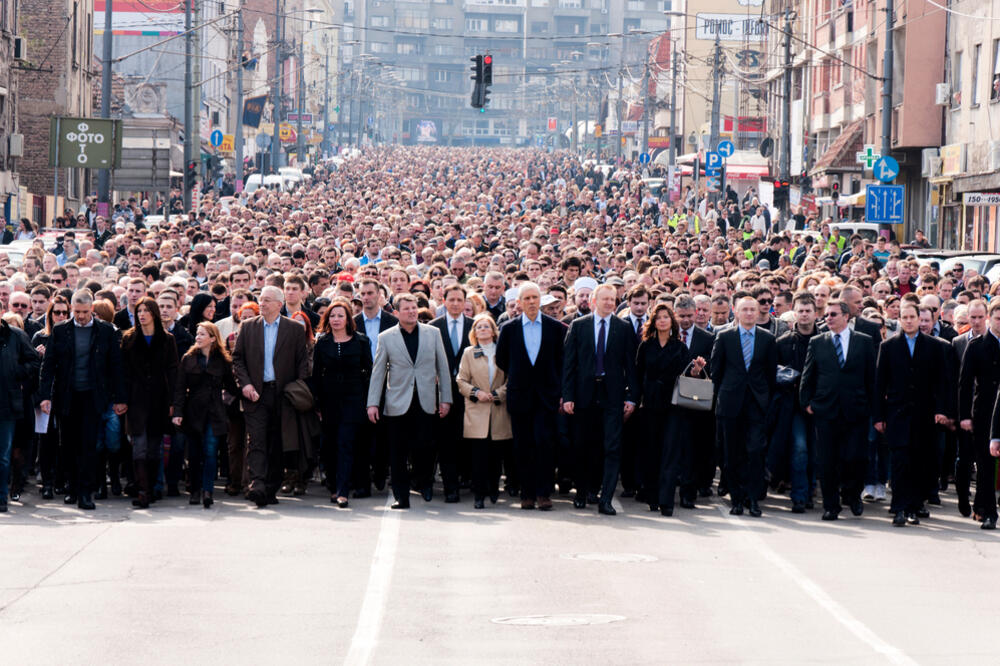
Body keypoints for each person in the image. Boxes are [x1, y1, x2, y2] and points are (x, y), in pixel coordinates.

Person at [38, 290, 127, 510]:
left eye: (85, 312)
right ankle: (72, 488)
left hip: (93, 396)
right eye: (76, 312)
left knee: (88, 445)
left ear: (92, 311)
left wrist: (119, 397)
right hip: (67, 395)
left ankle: (86, 493)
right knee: (67, 445)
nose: (81, 316)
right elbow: (48, 365)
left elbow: (116, 367)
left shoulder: (105, 331)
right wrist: (44, 396)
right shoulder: (61, 330)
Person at [366, 293, 452, 510]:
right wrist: (373, 403)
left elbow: (442, 367)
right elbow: (378, 373)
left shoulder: (433, 333)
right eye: (407, 308)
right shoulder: (386, 337)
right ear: (396, 312)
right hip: (397, 403)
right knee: (397, 453)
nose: (412, 311)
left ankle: (424, 482)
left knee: (425, 448)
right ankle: (401, 496)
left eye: (414, 307)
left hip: (426, 401)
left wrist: (445, 399)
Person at [562, 283, 638, 516]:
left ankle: (606, 498)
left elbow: (631, 367)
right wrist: (568, 396)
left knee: (612, 448)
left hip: (612, 396)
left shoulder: (623, 328)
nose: (608, 303)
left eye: (612, 299)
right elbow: (569, 364)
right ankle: (583, 492)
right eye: (604, 299)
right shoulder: (578, 326)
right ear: (594, 301)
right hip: (584, 395)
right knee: (583, 446)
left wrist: (632, 397)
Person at [233, 285, 311, 508]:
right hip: (255, 394)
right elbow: (237, 359)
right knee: (256, 439)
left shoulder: (294, 329)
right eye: (261, 299)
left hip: (282, 394)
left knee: (277, 441)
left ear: (279, 304)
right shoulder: (248, 327)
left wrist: (295, 390)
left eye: (267, 300)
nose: (262, 304)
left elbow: (302, 364)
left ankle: (271, 487)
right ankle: (257, 484)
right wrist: (245, 384)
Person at [800, 300, 876, 521]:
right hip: (826, 410)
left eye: (833, 314)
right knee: (827, 460)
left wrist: (873, 408)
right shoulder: (817, 342)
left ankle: (852, 495)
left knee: (856, 457)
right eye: (827, 315)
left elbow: (871, 378)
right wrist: (807, 402)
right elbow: (808, 374)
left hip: (856, 410)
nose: (828, 318)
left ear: (846, 316)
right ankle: (831, 505)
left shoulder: (863, 342)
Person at [875, 302, 948, 527]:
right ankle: (898, 507)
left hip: (924, 414)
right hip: (897, 414)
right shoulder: (888, 346)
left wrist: (941, 410)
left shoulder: (934, 347)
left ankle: (914, 507)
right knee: (899, 462)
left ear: (919, 319)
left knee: (919, 461)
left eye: (911, 317)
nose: (907, 321)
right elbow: (880, 384)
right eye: (904, 317)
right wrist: (879, 416)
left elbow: (942, 382)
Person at [495, 282, 566, 511]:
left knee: (545, 444)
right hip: (520, 396)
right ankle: (527, 494)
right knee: (523, 445)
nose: (532, 302)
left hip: (547, 396)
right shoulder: (509, 329)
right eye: (527, 298)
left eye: (535, 297)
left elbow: (561, 361)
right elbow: (502, 360)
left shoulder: (557, 328)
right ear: (519, 302)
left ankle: (544, 493)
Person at [634, 302, 705, 515]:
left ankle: (666, 500)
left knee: (670, 452)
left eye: (666, 317)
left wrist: (696, 370)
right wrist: (635, 401)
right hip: (650, 405)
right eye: (659, 317)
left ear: (671, 321)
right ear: (653, 322)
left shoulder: (680, 347)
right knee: (651, 451)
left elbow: (686, 376)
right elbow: (638, 375)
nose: (662, 320)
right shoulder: (646, 346)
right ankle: (652, 495)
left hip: (673, 406)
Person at [710, 296, 777, 517]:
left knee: (755, 450)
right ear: (735, 312)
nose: (749, 313)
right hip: (730, 402)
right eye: (744, 310)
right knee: (732, 452)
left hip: (756, 403)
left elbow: (770, 372)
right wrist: (722, 396)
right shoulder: (725, 337)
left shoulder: (767, 339)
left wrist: (763, 396)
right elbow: (716, 372)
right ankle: (737, 499)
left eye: (752, 310)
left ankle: (752, 498)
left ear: (758, 313)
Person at [311, 299, 371, 507]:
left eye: (340, 315)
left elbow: (369, 371)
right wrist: (317, 404)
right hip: (329, 401)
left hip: (354, 399)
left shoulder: (361, 341)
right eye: (333, 316)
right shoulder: (323, 343)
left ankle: (343, 490)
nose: (336, 320)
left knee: (346, 443)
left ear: (348, 319)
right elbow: (316, 375)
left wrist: (369, 401)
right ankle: (335, 485)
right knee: (329, 446)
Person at [121, 297, 179, 509]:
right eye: (139, 311)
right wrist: (122, 398)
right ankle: (143, 490)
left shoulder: (167, 339)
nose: (142, 314)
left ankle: (153, 487)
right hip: (136, 400)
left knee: (155, 447)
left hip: (159, 399)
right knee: (139, 446)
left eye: (146, 310)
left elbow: (173, 371)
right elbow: (124, 372)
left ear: (153, 313)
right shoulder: (129, 339)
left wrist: (174, 400)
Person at [172, 322, 238, 508]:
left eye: (202, 334)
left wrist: (228, 401)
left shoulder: (222, 361)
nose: (198, 337)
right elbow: (179, 388)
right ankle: (194, 490)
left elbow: (232, 387)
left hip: (215, 412)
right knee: (194, 453)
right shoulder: (188, 358)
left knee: (210, 451)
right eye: (197, 334)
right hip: (193, 412)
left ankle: (207, 490)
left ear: (212, 338)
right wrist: (177, 412)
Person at [456, 313, 511, 509]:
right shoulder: (469, 353)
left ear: (493, 330)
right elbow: (461, 380)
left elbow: (510, 379)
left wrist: (497, 394)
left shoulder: (502, 350)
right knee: (478, 457)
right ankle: (479, 495)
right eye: (479, 327)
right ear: (474, 332)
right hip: (477, 409)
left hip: (498, 408)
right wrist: (477, 393)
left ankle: (494, 488)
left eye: (486, 326)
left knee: (496, 456)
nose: (483, 330)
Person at [352, 277, 398, 496]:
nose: (367, 297)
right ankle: (362, 482)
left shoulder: (391, 322)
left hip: (386, 385)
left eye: (371, 293)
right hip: (360, 386)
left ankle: (380, 472)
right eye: (363, 294)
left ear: (380, 295)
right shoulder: (353, 323)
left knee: (383, 433)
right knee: (361, 435)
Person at [429, 284, 473, 502]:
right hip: (443, 393)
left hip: (469, 395)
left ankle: (470, 481)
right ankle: (450, 487)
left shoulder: (475, 327)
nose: (455, 304)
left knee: (469, 441)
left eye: (459, 300)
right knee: (446, 442)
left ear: (465, 302)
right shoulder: (433, 327)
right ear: (444, 301)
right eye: (451, 299)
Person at [960, 299, 1000, 530]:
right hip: (984, 411)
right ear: (989, 319)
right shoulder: (976, 346)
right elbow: (964, 384)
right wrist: (964, 415)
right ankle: (988, 512)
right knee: (985, 465)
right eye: (997, 319)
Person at [0, 315, 40, 512]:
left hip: (7, 404)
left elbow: (33, 362)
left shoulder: (16, 336)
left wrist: (16, 374)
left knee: (4, 455)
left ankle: (1, 498)